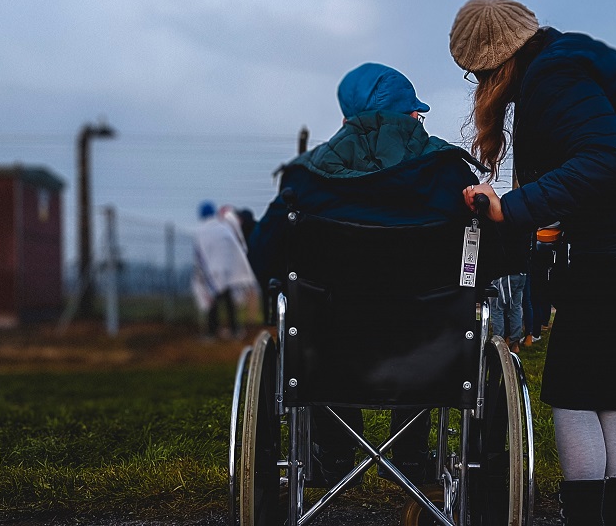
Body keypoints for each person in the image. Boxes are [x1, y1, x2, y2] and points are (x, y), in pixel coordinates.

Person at [451, 0, 616, 526]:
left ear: (498, 64)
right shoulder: (571, 60)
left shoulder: (554, 78)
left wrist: (510, 207)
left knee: (572, 391)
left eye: (478, 76)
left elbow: (603, 157)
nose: (480, 89)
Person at [247, 62, 505, 488]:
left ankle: (331, 451)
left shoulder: (305, 179)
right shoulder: (450, 173)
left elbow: (263, 256)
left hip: (327, 354)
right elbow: (490, 261)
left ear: (347, 118)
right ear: (411, 116)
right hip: (430, 354)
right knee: (431, 316)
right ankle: (410, 452)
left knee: (319, 322)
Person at [192, 201, 259, 341]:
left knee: (213, 303)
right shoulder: (223, 228)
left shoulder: (199, 231)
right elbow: (236, 247)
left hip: (211, 272)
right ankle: (235, 331)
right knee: (228, 302)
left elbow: (199, 254)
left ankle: (211, 332)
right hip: (227, 271)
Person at [489, 272, 526, 352]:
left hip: (505, 273)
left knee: (497, 308)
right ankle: (514, 342)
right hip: (522, 273)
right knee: (515, 308)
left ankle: (499, 344)